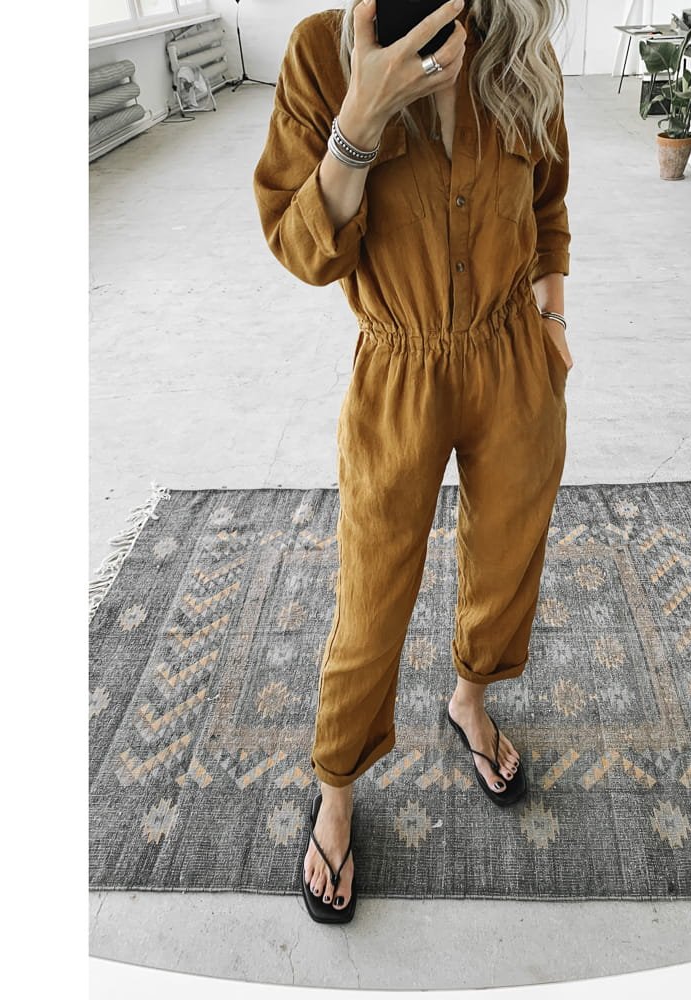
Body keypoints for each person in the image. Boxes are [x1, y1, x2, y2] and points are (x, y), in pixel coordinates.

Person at [253, 0, 572, 923]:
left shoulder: (518, 43)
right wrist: (361, 115)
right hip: (399, 367)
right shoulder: (320, 55)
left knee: (508, 556)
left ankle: (469, 700)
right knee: (374, 588)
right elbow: (303, 249)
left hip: (514, 356)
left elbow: (548, 201)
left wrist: (553, 317)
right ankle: (338, 788)